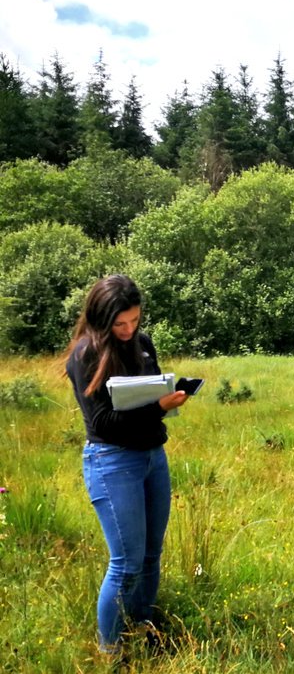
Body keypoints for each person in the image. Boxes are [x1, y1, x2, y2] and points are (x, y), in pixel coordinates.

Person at [64, 274, 188, 658]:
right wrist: (156, 409)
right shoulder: (85, 355)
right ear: (101, 318)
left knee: (152, 554)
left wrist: (169, 400)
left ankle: (144, 630)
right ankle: (111, 653)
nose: (128, 329)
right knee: (126, 563)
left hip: (153, 456)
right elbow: (102, 423)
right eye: (120, 324)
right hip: (112, 461)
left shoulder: (143, 344)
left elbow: (155, 395)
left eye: (134, 321)